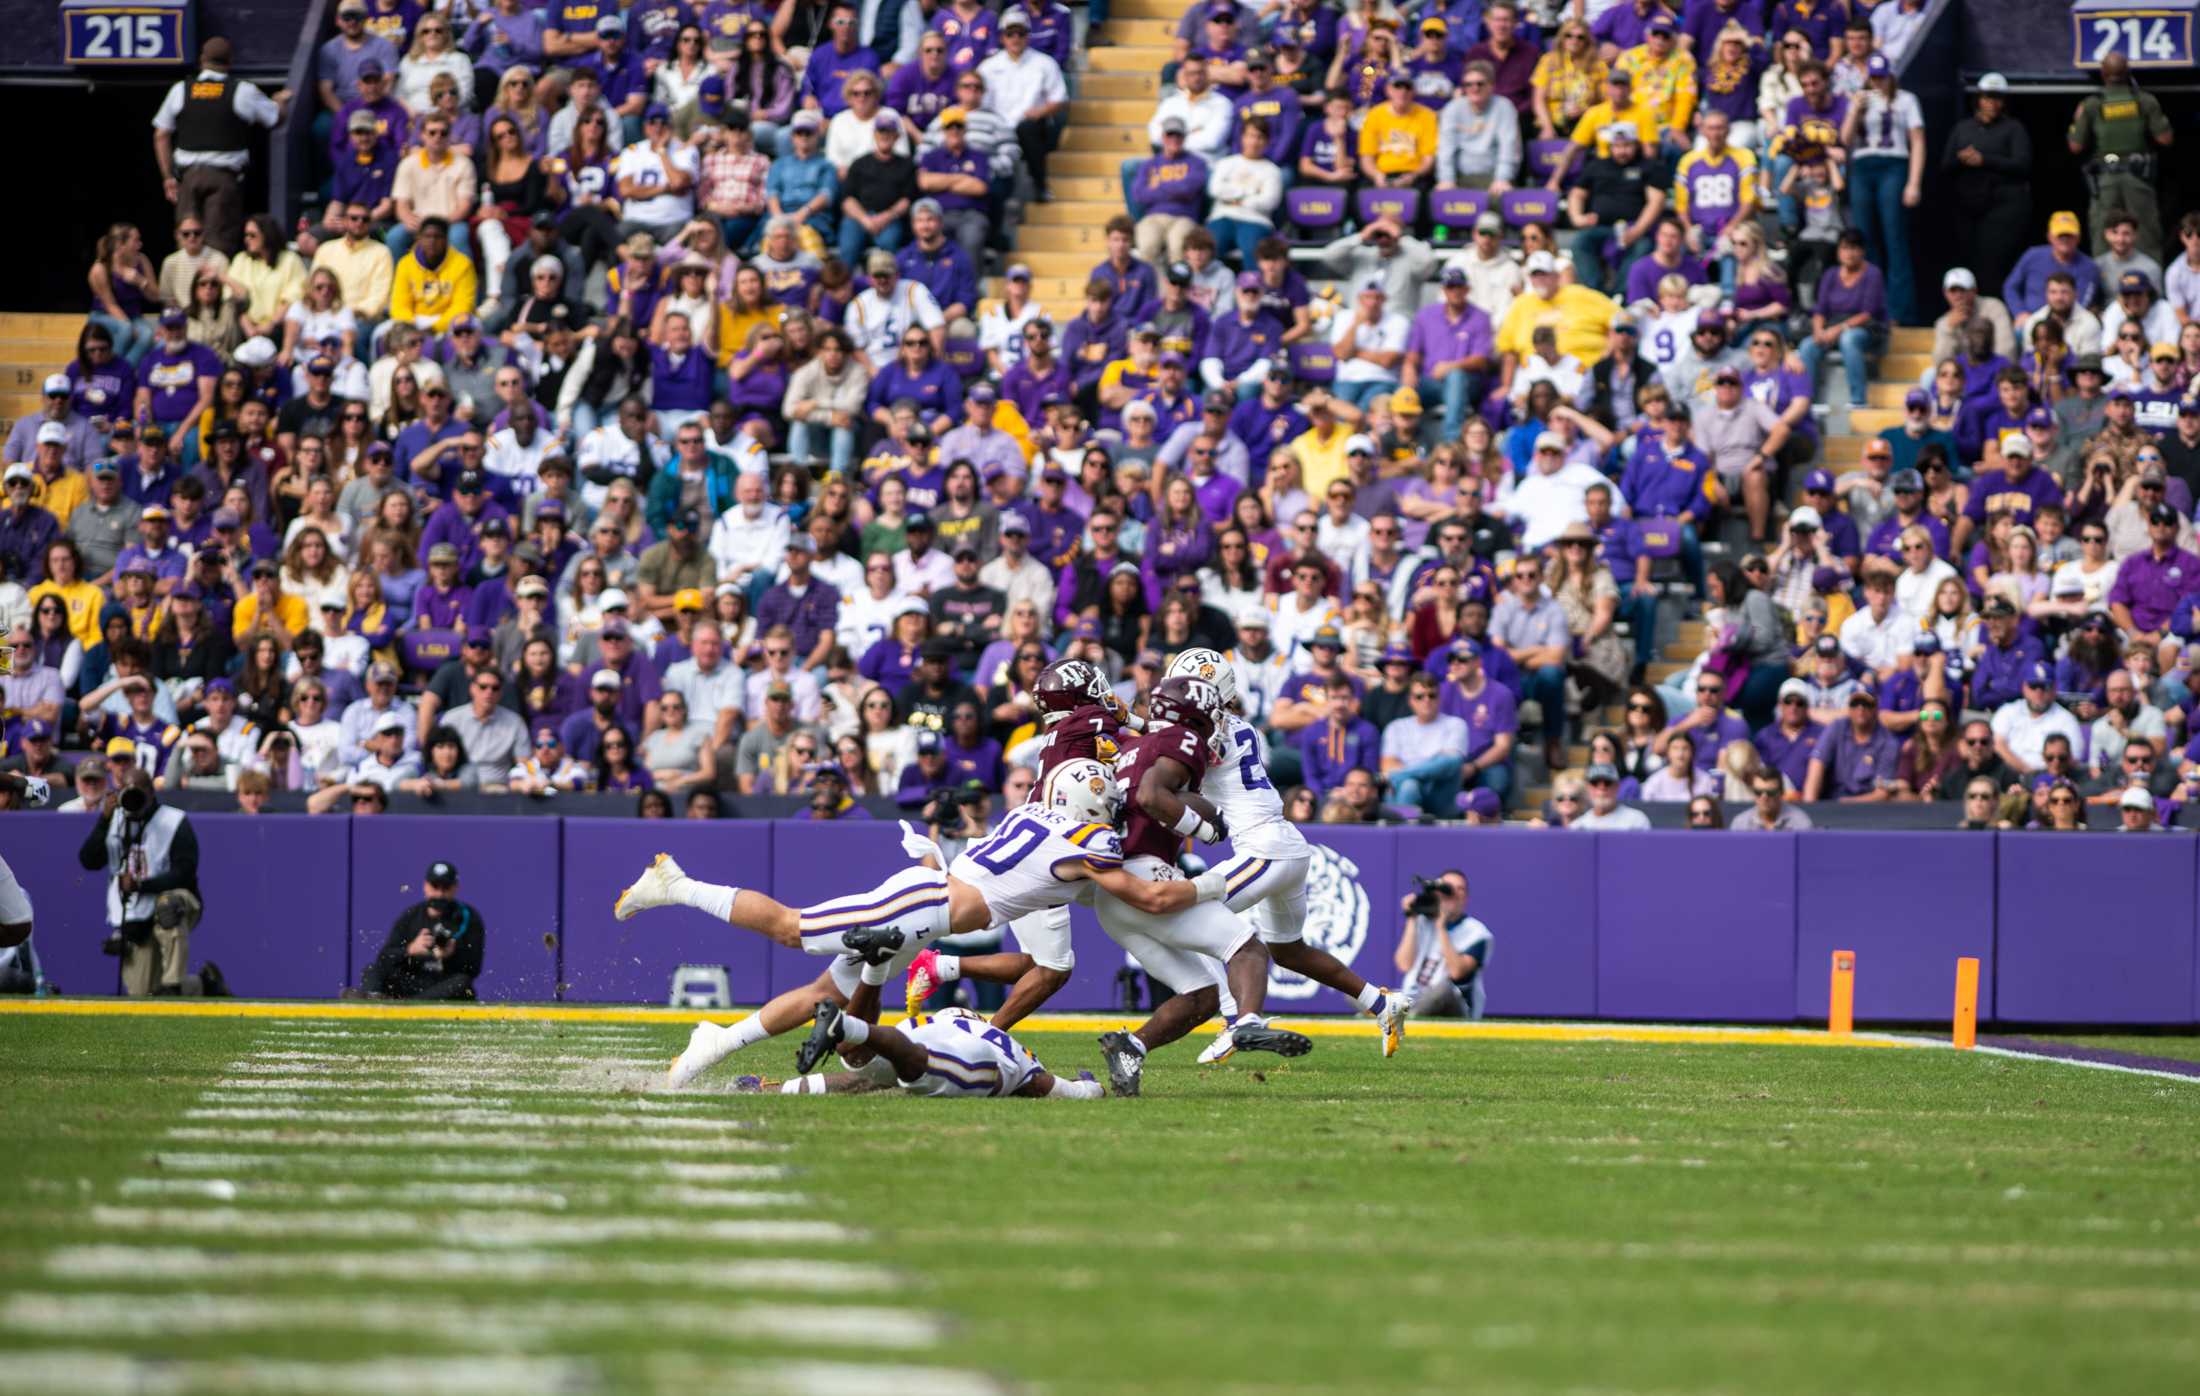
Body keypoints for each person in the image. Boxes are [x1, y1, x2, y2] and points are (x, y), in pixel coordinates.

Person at [151, 39, 291, 255]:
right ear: (229, 62)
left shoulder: (180, 90)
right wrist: (281, 101)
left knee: (187, 247)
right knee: (218, 248)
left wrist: (168, 177)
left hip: (187, 179)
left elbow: (161, 134)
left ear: (201, 61)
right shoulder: (241, 91)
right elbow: (275, 118)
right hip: (223, 180)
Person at [76, 766, 204, 995]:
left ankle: (174, 983)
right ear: (117, 792)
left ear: (152, 792)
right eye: (127, 790)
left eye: (139, 791)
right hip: (135, 915)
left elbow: (185, 872)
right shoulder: (113, 820)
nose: (133, 797)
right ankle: (202, 983)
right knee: (144, 994)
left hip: (175, 901)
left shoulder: (173, 820)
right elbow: (89, 861)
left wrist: (142, 885)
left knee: (169, 906)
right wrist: (104, 821)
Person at [360, 859, 484, 999]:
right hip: (412, 981)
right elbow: (384, 958)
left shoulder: (468, 917)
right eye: (435, 886)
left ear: (455, 887)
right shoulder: (411, 916)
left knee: (462, 983)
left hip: (443, 983)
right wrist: (410, 950)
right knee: (371, 970)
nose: (439, 894)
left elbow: (474, 969)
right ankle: (371, 1000)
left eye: (446, 887)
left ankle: (405, 1006)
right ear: (425, 886)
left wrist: (451, 955)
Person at [1393, 869, 1492, 1019]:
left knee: (1442, 990)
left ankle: (1398, 1016)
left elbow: (1456, 972)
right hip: (1413, 997)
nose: (1453, 894)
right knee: (1365, 994)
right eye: (1448, 888)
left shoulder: (1478, 932)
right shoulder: (1423, 922)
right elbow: (1404, 964)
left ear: (1465, 897)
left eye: (1460, 889)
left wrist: (1441, 927)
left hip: (1455, 1003)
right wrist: (1411, 918)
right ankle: (1398, 1013)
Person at [1573, 761, 1651, 828]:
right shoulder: (1578, 826)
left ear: (1617, 787)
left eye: (1607, 782)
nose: (1601, 788)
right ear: (1588, 788)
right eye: (1595, 783)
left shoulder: (1636, 821)